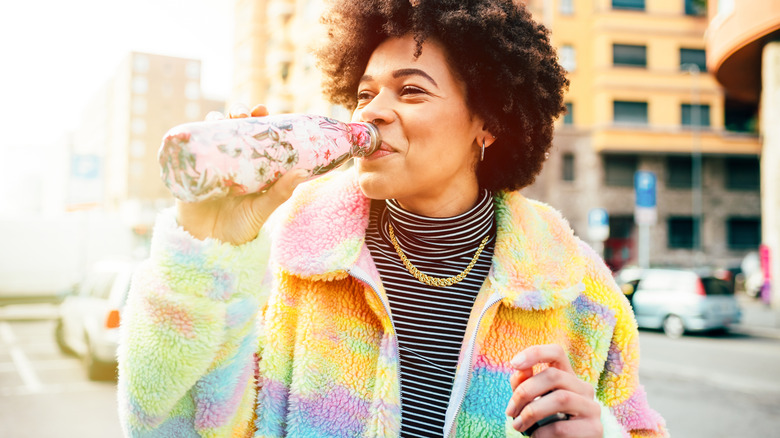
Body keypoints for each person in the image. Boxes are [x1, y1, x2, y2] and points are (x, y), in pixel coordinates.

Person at [117, 0, 668, 436]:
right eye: (364, 93)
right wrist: (208, 246)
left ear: (489, 122)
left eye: (410, 90)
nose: (371, 112)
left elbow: (639, 428)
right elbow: (166, 428)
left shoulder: (574, 285)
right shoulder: (285, 253)